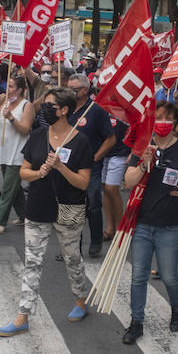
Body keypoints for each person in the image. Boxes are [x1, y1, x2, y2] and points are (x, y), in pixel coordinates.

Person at [0, 86, 93, 336]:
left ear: (64, 110)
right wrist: (39, 173)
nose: (45, 110)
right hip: (38, 205)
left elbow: (83, 183)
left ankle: (81, 298)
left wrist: (60, 167)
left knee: (72, 259)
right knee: (32, 262)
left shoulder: (81, 141)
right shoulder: (38, 136)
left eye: (50, 106)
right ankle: (23, 315)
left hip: (69, 208)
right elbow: (23, 171)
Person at [121, 101, 178, 345]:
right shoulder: (141, 147)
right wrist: (144, 164)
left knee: (169, 276)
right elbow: (128, 181)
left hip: (171, 225)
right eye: (158, 117)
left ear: (175, 122)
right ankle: (136, 322)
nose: (162, 122)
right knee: (138, 276)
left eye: (167, 118)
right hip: (143, 223)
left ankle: (177, 306)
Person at [67, 74, 116, 256]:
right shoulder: (66, 108)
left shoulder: (96, 111)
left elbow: (110, 139)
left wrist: (96, 157)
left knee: (93, 203)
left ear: (85, 90)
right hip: (68, 165)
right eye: (68, 88)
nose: (70, 92)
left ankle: (96, 240)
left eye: (74, 89)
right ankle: (72, 245)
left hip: (90, 167)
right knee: (71, 205)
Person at [0, 71, 33, 234]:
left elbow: (25, 129)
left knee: (8, 188)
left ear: (20, 90)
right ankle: (25, 215)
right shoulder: (4, 103)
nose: (7, 89)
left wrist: (11, 118)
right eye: (7, 86)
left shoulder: (26, 106)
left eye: (11, 86)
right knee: (15, 188)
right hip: (4, 153)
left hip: (18, 154)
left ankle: (1, 220)